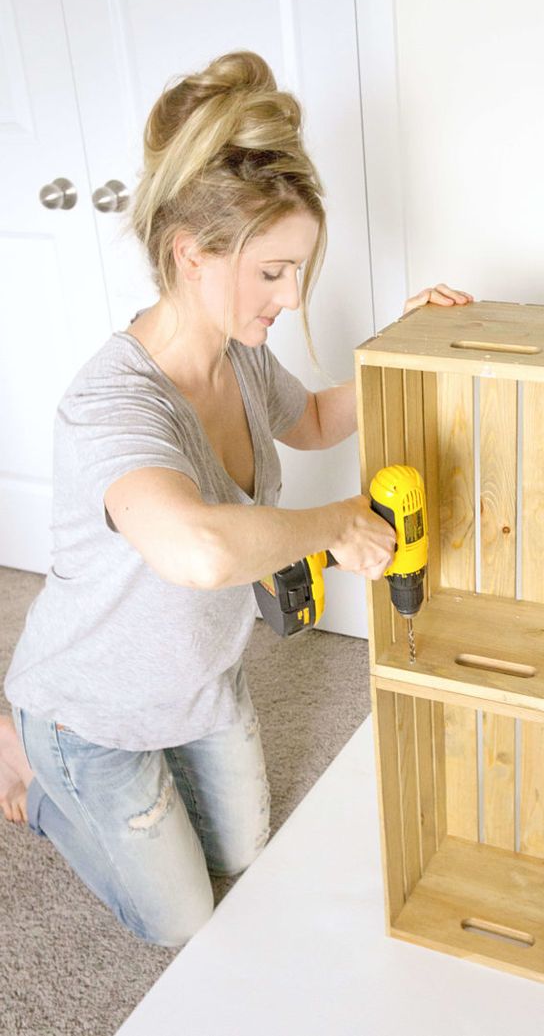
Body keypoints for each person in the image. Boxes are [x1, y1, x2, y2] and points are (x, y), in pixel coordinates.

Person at [0, 50, 473, 945]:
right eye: (272, 272)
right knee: (181, 922)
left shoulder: (243, 356)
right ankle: (26, 747)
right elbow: (200, 551)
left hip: (201, 684)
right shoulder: (111, 404)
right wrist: (334, 525)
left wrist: (407, 342)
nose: (292, 298)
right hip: (91, 712)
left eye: (297, 270)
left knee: (248, 856)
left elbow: (320, 420)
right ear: (193, 254)